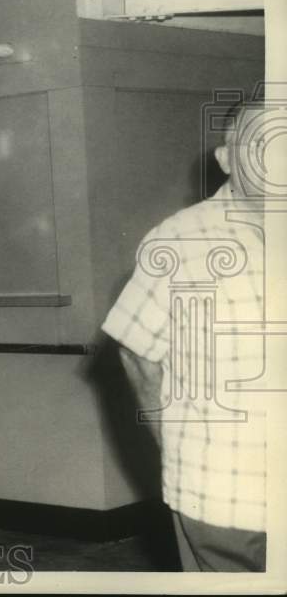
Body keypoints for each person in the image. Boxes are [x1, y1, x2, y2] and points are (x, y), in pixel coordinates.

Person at [102, 101, 267, 572]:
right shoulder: (180, 242)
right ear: (226, 159)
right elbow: (136, 353)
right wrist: (172, 441)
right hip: (226, 494)